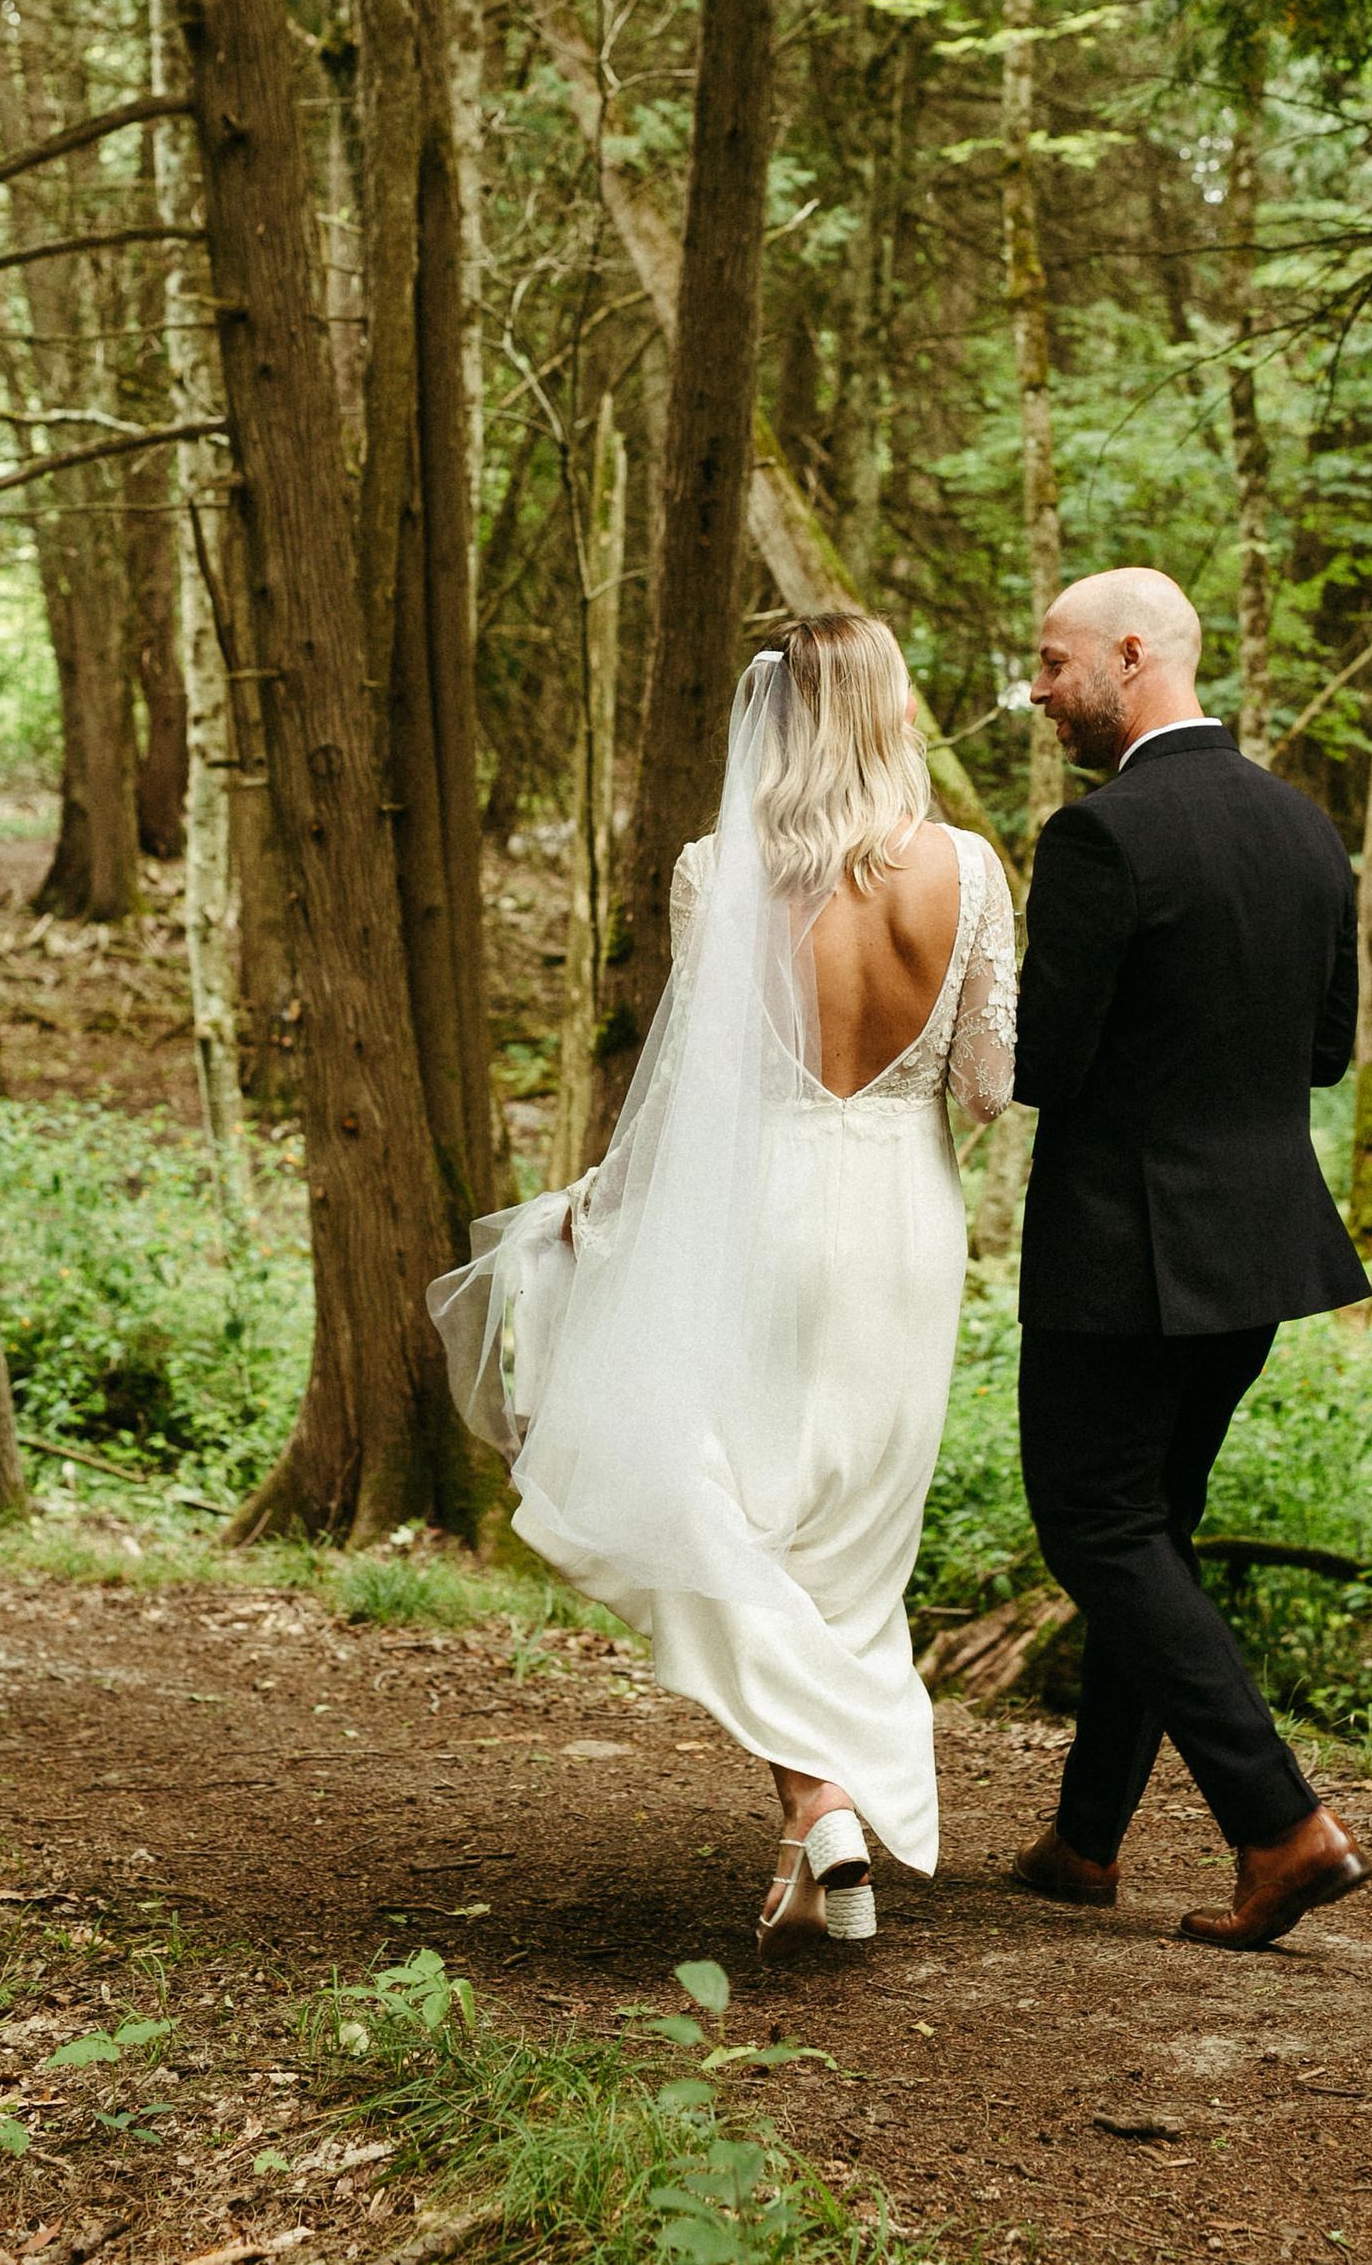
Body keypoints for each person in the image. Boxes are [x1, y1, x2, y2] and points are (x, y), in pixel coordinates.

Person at [431, 615, 1017, 1958]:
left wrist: (604, 1210)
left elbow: (698, 1095)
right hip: (905, 1229)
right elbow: (986, 1086)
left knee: (736, 1516)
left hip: (764, 1214)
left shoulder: (719, 873)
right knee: (853, 1550)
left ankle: (819, 1812)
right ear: (887, 710)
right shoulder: (969, 869)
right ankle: (823, 1823)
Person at [1008, 567, 1372, 1951]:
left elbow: (1049, 1063)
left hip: (1125, 1252)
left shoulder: (1099, 837)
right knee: (1147, 1531)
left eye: (1053, 664)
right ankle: (1086, 1842)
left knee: (1094, 1524)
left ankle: (1281, 1828)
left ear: (1132, 654)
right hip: (1262, 1247)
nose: (1040, 691)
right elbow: (1327, 1052)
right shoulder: (1304, 830)